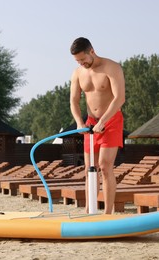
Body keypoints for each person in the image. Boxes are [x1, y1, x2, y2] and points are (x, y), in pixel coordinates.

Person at [69, 37, 125, 214]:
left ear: (91, 51)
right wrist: (79, 122)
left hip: (111, 120)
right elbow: (74, 102)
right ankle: (88, 210)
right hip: (90, 124)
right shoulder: (78, 73)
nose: (81, 63)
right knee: (88, 168)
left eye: (83, 59)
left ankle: (108, 213)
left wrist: (103, 121)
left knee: (104, 165)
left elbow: (119, 98)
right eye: (77, 61)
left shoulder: (112, 67)